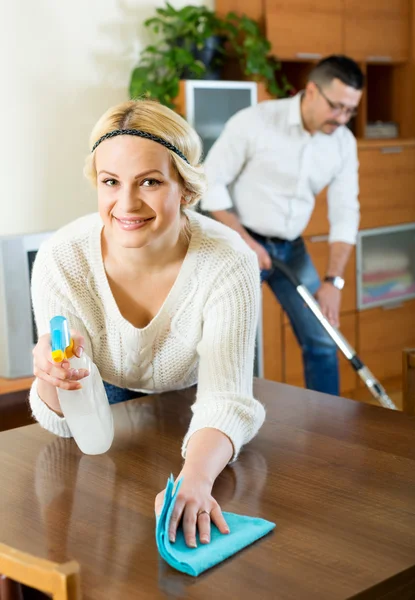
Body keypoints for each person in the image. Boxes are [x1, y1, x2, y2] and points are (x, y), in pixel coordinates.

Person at [29, 99, 265, 548]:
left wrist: (195, 480)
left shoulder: (228, 261)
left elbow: (226, 399)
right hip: (105, 407)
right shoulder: (62, 258)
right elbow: (61, 424)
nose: (127, 203)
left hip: (194, 402)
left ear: (186, 189)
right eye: (111, 182)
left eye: (150, 182)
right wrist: (52, 377)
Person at [202, 55, 365, 396]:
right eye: (337, 107)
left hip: (291, 250)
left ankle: (329, 435)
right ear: (311, 91)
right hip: (239, 245)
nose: (343, 118)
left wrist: (334, 281)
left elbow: (345, 213)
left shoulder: (342, 144)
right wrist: (246, 240)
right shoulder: (256, 122)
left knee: (321, 339)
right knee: (227, 342)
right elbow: (210, 183)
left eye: (351, 110)